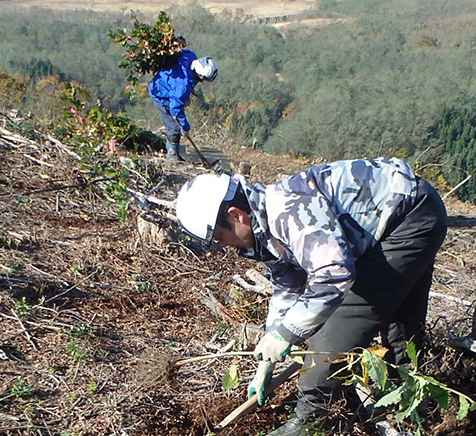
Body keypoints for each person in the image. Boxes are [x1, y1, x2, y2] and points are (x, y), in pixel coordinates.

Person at [175, 158, 448, 436]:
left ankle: (310, 420)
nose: (222, 244)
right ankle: (411, 405)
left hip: (409, 218)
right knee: (397, 320)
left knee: (346, 320)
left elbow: (334, 275)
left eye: (219, 236)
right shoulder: (266, 226)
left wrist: (287, 334)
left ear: (236, 215)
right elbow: (287, 287)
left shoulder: (288, 211)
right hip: (399, 216)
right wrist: (267, 360)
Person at [149, 49, 216, 161]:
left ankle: (173, 152)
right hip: (160, 94)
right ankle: (172, 157)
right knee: (174, 128)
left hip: (166, 85)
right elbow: (175, 109)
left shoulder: (190, 56)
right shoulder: (183, 87)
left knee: (175, 125)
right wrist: (185, 127)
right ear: (201, 76)